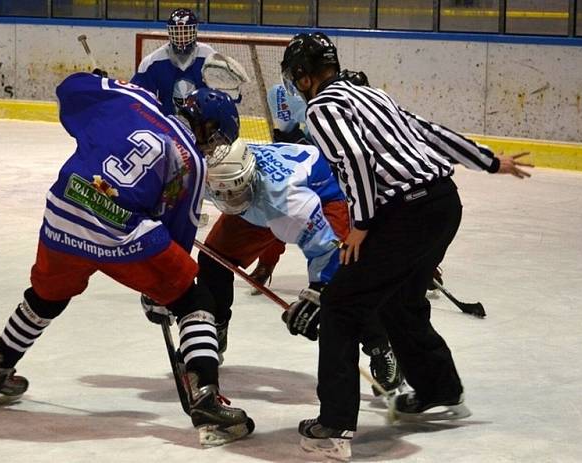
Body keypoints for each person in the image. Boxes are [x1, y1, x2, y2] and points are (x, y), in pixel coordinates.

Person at [280, 32, 532, 460]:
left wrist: (360, 224)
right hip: (443, 204)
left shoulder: (322, 108)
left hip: (406, 213)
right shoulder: (372, 95)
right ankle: (441, 391)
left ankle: (335, 425)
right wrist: (490, 161)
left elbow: (356, 160)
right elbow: (431, 133)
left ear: (304, 78)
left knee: (341, 305)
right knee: (399, 300)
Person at [0, 74, 253, 447]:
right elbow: (177, 237)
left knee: (47, 296)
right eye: (217, 139)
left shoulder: (133, 100)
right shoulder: (192, 164)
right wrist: (161, 294)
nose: (213, 148)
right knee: (193, 300)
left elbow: (70, 89)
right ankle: (207, 399)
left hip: (64, 210)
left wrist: (107, 85)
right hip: (120, 232)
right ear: (210, 130)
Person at [196, 137, 405, 397]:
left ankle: (380, 348)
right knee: (213, 260)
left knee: (343, 284)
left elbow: (325, 255)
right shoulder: (213, 175)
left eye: (232, 193)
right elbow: (173, 206)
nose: (228, 200)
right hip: (259, 201)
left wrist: (316, 296)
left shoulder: (288, 203)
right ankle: (213, 330)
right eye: (222, 194)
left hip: (324, 198)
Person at [247, 73, 370, 294]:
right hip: (305, 171)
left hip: (336, 185)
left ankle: (411, 266)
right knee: (278, 211)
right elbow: (288, 135)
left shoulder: (367, 126)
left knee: (341, 233)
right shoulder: (293, 98)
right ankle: (266, 263)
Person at [131, 8, 218, 115]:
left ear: (194, 31)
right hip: (167, 127)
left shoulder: (209, 57)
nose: (181, 37)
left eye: (186, 32)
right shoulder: (152, 62)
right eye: (177, 32)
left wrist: (231, 94)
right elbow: (138, 100)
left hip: (201, 128)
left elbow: (219, 101)